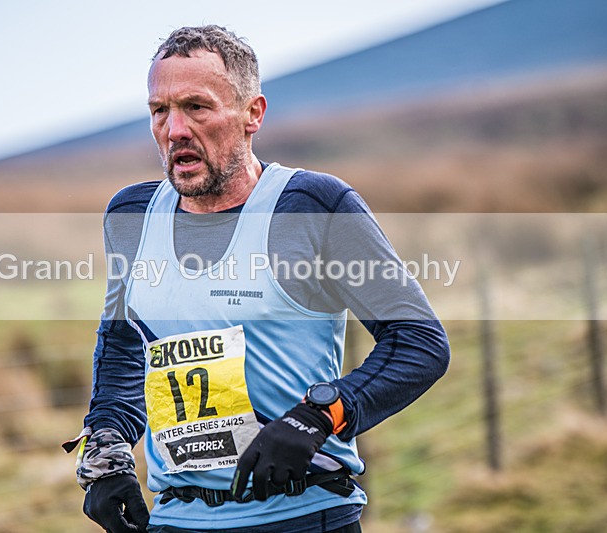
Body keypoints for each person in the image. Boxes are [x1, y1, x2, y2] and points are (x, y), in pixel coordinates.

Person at [63, 25, 450, 533]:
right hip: (176, 519)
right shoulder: (130, 215)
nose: (174, 129)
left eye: (196, 107)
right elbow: (125, 345)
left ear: (253, 114)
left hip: (302, 515)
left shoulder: (313, 205)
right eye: (160, 110)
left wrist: (319, 417)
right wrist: (108, 450)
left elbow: (418, 342)